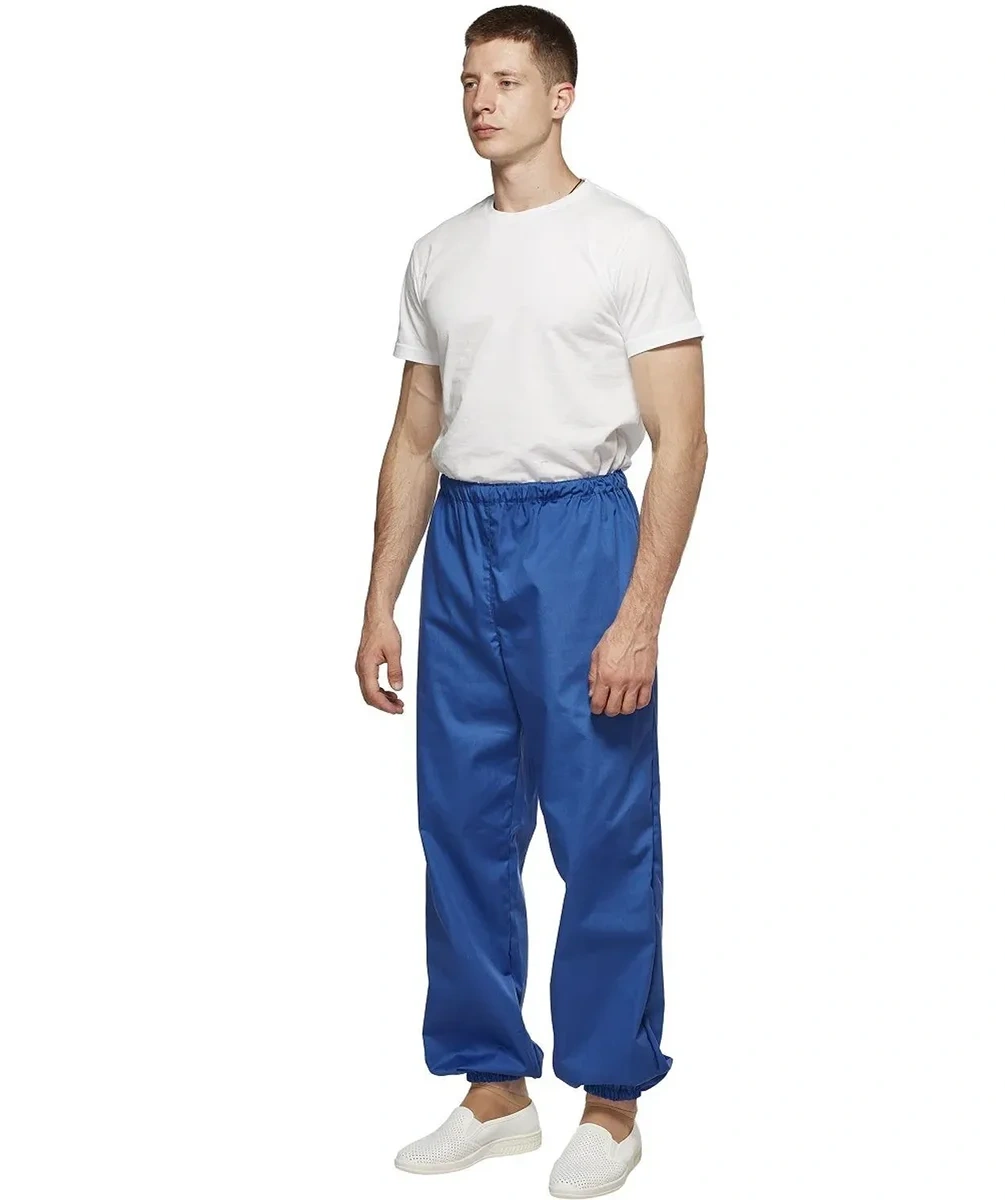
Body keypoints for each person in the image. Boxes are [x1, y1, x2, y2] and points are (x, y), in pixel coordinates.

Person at [355, 6, 707, 1195]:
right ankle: (494, 1087)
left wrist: (639, 615)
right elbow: (414, 437)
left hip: (580, 538)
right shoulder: (437, 253)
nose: (479, 100)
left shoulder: (630, 243)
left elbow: (684, 439)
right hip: (463, 541)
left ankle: (611, 1101)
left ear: (561, 97)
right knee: (460, 823)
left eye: (505, 80)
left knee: (602, 825)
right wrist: (379, 602)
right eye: (468, 80)